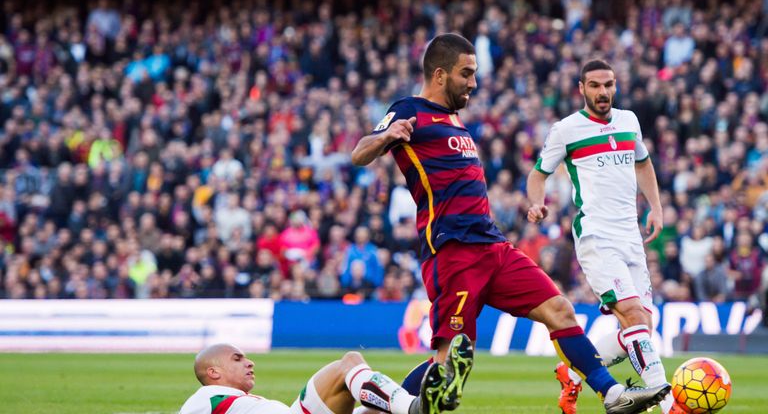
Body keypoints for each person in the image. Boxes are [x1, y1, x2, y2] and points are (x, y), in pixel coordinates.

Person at [351, 33, 669, 414]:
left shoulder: (453, 119)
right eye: (466, 73)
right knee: (450, 367)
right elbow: (359, 153)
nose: (473, 82)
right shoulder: (410, 110)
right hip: (454, 252)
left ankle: (612, 395)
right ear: (439, 74)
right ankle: (387, 405)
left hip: (494, 246)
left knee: (560, 310)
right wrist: (386, 135)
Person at [526, 59, 681, 414]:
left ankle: (573, 374)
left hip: (630, 234)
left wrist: (655, 207)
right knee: (631, 316)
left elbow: (642, 163)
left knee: (643, 327)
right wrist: (537, 203)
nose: (603, 92)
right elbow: (538, 174)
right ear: (581, 88)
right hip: (597, 234)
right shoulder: (566, 129)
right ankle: (667, 403)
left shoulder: (629, 121)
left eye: (608, 84)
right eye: (595, 85)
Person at [179, 334, 473, 414]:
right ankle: (416, 406)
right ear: (213, 372)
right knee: (348, 364)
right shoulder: (204, 399)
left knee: (376, 411)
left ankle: (437, 378)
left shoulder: (231, 403)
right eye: (238, 358)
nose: (250, 362)